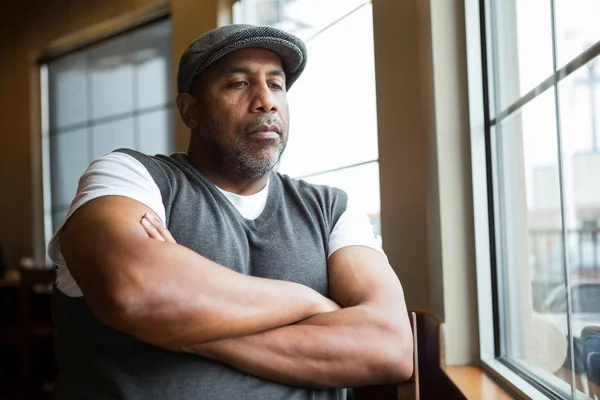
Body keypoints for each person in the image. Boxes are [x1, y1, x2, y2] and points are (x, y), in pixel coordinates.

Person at [48, 24, 413, 400]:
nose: (265, 101)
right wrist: (310, 303)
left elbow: (391, 347)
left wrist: (184, 333)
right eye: (238, 83)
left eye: (276, 84)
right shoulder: (132, 177)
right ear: (190, 110)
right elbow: (136, 293)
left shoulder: (331, 208)